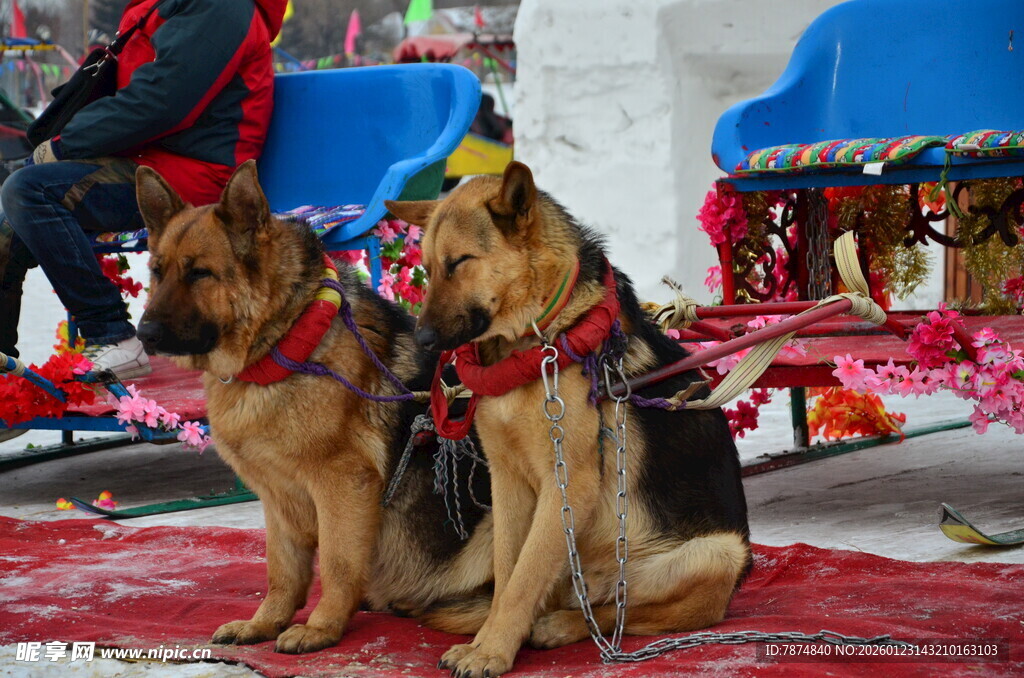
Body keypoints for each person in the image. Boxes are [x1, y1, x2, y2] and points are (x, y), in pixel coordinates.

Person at [0, 0, 287, 383]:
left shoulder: (221, 7)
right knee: (5, 227)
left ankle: (111, 334)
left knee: (31, 191)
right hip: (145, 159)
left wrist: (67, 144)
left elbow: (163, 100)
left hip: (194, 174)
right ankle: (4, 378)